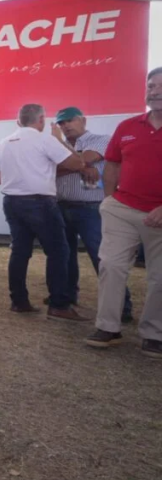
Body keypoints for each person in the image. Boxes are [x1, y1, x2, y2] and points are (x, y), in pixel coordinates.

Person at [86, 67, 162, 358]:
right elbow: (113, 164)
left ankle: (154, 333)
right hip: (122, 208)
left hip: (160, 213)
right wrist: (109, 200)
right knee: (111, 266)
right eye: (151, 86)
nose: (154, 91)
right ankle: (108, 327)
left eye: (160, 86)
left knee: (159, 277)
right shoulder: (128, 127)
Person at [0, 104, 87, 319]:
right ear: (41, 120)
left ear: (18, 122)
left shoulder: (4, 142)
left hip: (11, 202)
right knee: (59, 251)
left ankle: (19, 301)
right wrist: (59, 140)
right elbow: (78, 163)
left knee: (20, 252)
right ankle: (59, 304)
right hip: (40, 202)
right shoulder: (45, 139)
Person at [52, 107, 134, 323]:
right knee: (65, 256)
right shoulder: (60, 147)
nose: (65, 126)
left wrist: (71, 159)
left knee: (103, 257)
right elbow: (53, 170)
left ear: (83, 120)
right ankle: (68, 297)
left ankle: (121, 305)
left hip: (91, 208)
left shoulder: (101, 139)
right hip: (62, 205)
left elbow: (83, 159)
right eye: (60, 123)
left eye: (69, 121)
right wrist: (80, 165)